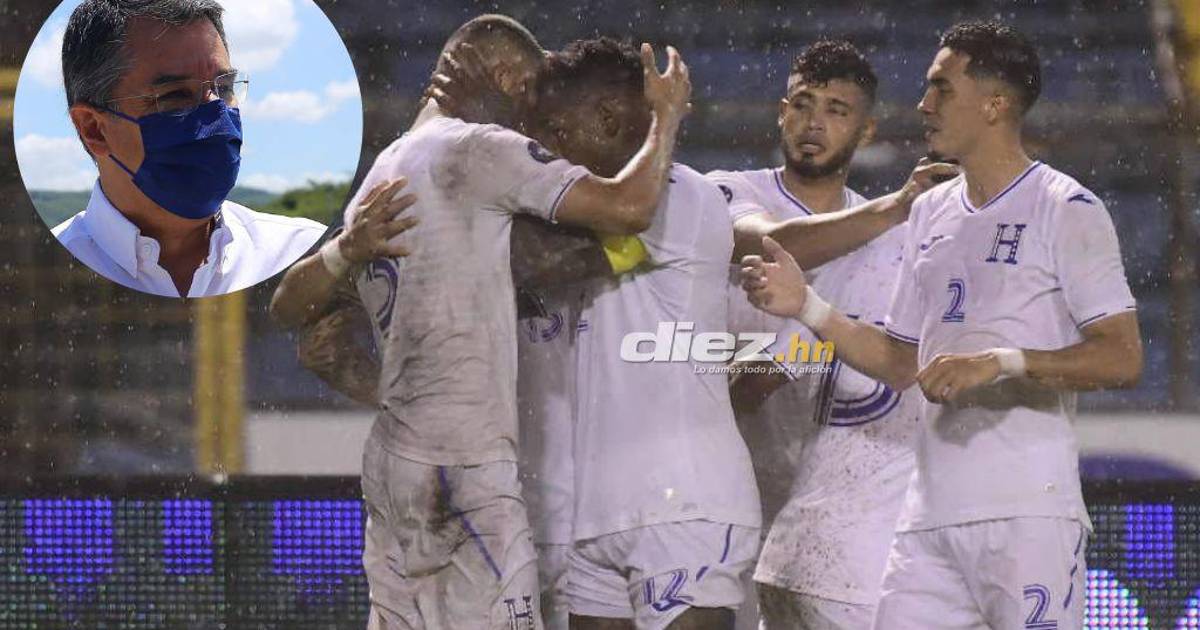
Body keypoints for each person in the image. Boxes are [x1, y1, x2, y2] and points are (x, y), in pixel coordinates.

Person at [269, 14, 691, 629]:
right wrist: (667, 116)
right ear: (505, 77)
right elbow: (629, 208)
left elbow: (295, 317)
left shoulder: (381, 176)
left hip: (393, 466)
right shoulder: (477, 149)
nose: (530, 119)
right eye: (529, 94)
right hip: (465, 467)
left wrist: (380, 371)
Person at [739, 21, 1143, 630]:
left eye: (942, 88)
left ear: (995, 104)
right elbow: (899, 361)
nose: (924, 104)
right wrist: (807, 307)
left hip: (1026, 513)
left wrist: (1003, 362)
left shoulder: (1066, 207)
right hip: (926, 520)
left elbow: (1121, 357)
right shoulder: (928, 211)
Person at [529, 37, 759, 630]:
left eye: (558, 129)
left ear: (607, 119)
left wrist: (666, 118)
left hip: (686, 508)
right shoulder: (587, 206)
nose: (547, 149)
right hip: (597, 513)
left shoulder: (683, 198)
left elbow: (528, 261)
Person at [710, 39, 921, 629]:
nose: (814, 123)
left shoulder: (890, 240)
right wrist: (896, 208)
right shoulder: (724, 191)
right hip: (720, 494)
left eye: (836, 110)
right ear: (782, 112)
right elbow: (773, 242)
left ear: (866, 129)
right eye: (802, 104)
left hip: (825, 517)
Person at [52, 0, 324, 298]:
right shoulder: (49, 278)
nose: (216, 114)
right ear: (93, 128)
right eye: (175, 95)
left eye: (224, 88)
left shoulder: (302, 253)